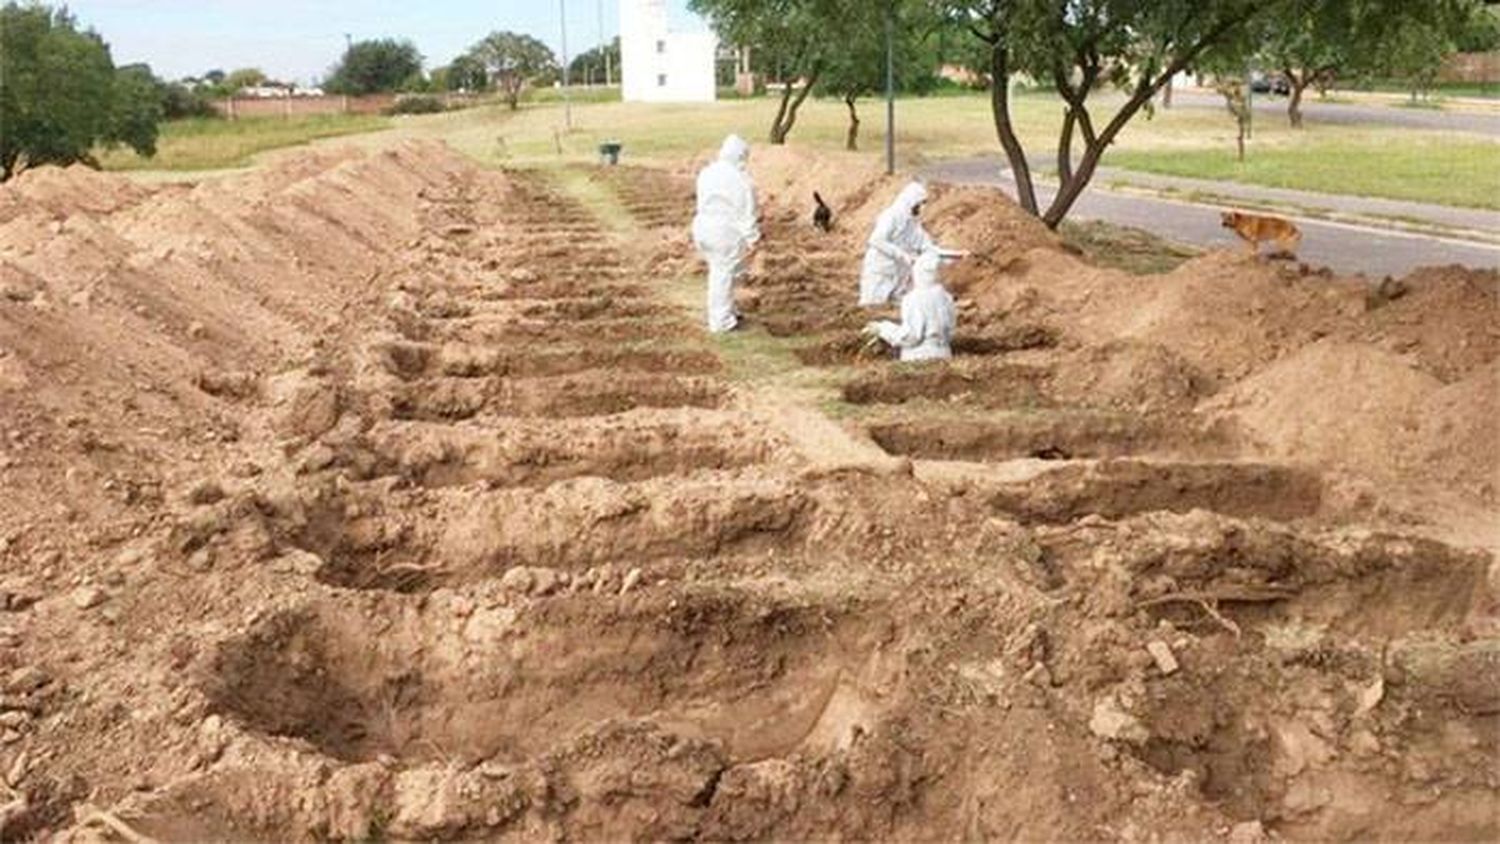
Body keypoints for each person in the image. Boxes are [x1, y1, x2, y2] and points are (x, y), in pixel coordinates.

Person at [692, 135, 760, 333]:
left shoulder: (707, 172)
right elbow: (746, 212)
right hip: (724, 232)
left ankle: (729, 310)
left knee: (726, 270)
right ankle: (721, 321)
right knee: (722, 274)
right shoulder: (742, 180)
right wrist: (753, 238)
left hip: (703, 227)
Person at [859, 181, 942, 307]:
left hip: (898, 274)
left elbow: (926, 245)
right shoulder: (891, 216)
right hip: (880, 270)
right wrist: (902, 255)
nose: (922, 207)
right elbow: (876, 240)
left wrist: (951, 255)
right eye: (921, 203)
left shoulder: (913, 223)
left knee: (901, 302)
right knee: (874, 305)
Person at [863, 250, 956, 362]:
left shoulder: (913, 299)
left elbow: (911, 336)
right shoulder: (946, 298)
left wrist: (883, 329)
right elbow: (950, 333)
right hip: (944, 356)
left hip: (918, 357)